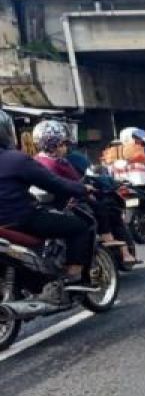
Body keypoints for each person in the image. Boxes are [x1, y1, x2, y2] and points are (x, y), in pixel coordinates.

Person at [0, 110, 94, 283]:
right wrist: (82, 189)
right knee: (79, 227)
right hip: (20, 220)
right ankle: (73, 276)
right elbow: (55, 184)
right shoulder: (16, 159)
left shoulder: (35, 159)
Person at [33, 120, 137, 265]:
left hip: (51, 203)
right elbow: (75, 181)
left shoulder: (38, 160)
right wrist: (85, 190)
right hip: (70, 199)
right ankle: (110, 240)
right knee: (102, 207)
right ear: (55, 144)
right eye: (63, 144)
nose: (65, 147)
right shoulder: (59, 162)